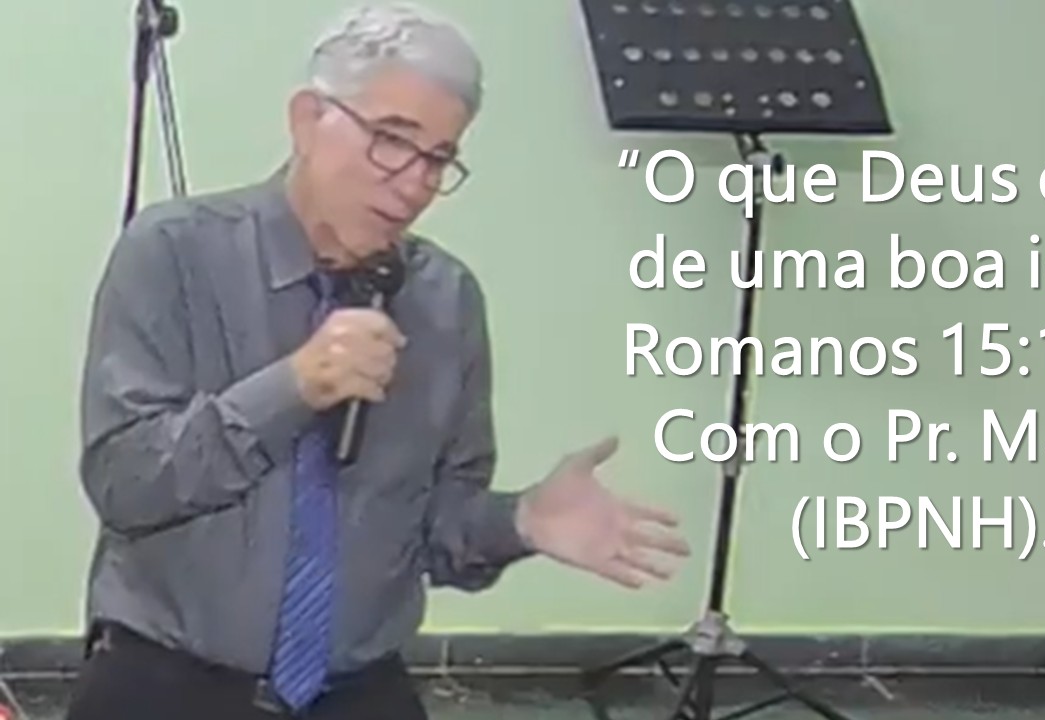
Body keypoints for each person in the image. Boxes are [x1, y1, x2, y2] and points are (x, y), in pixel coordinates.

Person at [64, 3, 690, 719]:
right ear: (308, 120)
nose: (415, 182)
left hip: (357, 690)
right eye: (393, 140)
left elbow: (438, 532)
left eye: (439, 158)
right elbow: (126, 483)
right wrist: (292, 387)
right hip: (168, 680)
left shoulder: (444, 300)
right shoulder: (173, 251)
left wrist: (521, 521)